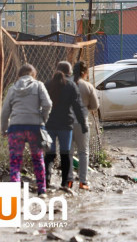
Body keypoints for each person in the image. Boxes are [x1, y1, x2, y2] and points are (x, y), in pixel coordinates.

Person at [0, 63, 52, 197]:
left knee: (15, 161)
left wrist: (4, 129)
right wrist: (43, 119)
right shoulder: (39, 85)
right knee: (38, 159)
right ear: (33, 74)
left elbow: (5, 111)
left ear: (19, 75)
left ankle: (15, 194)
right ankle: (42, 191)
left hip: (16, 128)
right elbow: (48, 104)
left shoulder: (12, 89)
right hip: (35, 128)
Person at [44, 61, 88, 189]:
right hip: (65, 125)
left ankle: (46, 179)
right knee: (65, 153)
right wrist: (83, 123)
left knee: (50, 154)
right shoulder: (71, 86)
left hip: (50, 124)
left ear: (56, 70)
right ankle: (66, 182)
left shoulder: (47, 84)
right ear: (69, 73)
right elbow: (77, 107)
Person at [67, 61, 99, 190]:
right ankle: (83, 182)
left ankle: (68, 181)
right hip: (82, 123)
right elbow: (95, 106)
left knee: (67, 153)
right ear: (85, 73)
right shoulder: (87, 86)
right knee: (83, 152)